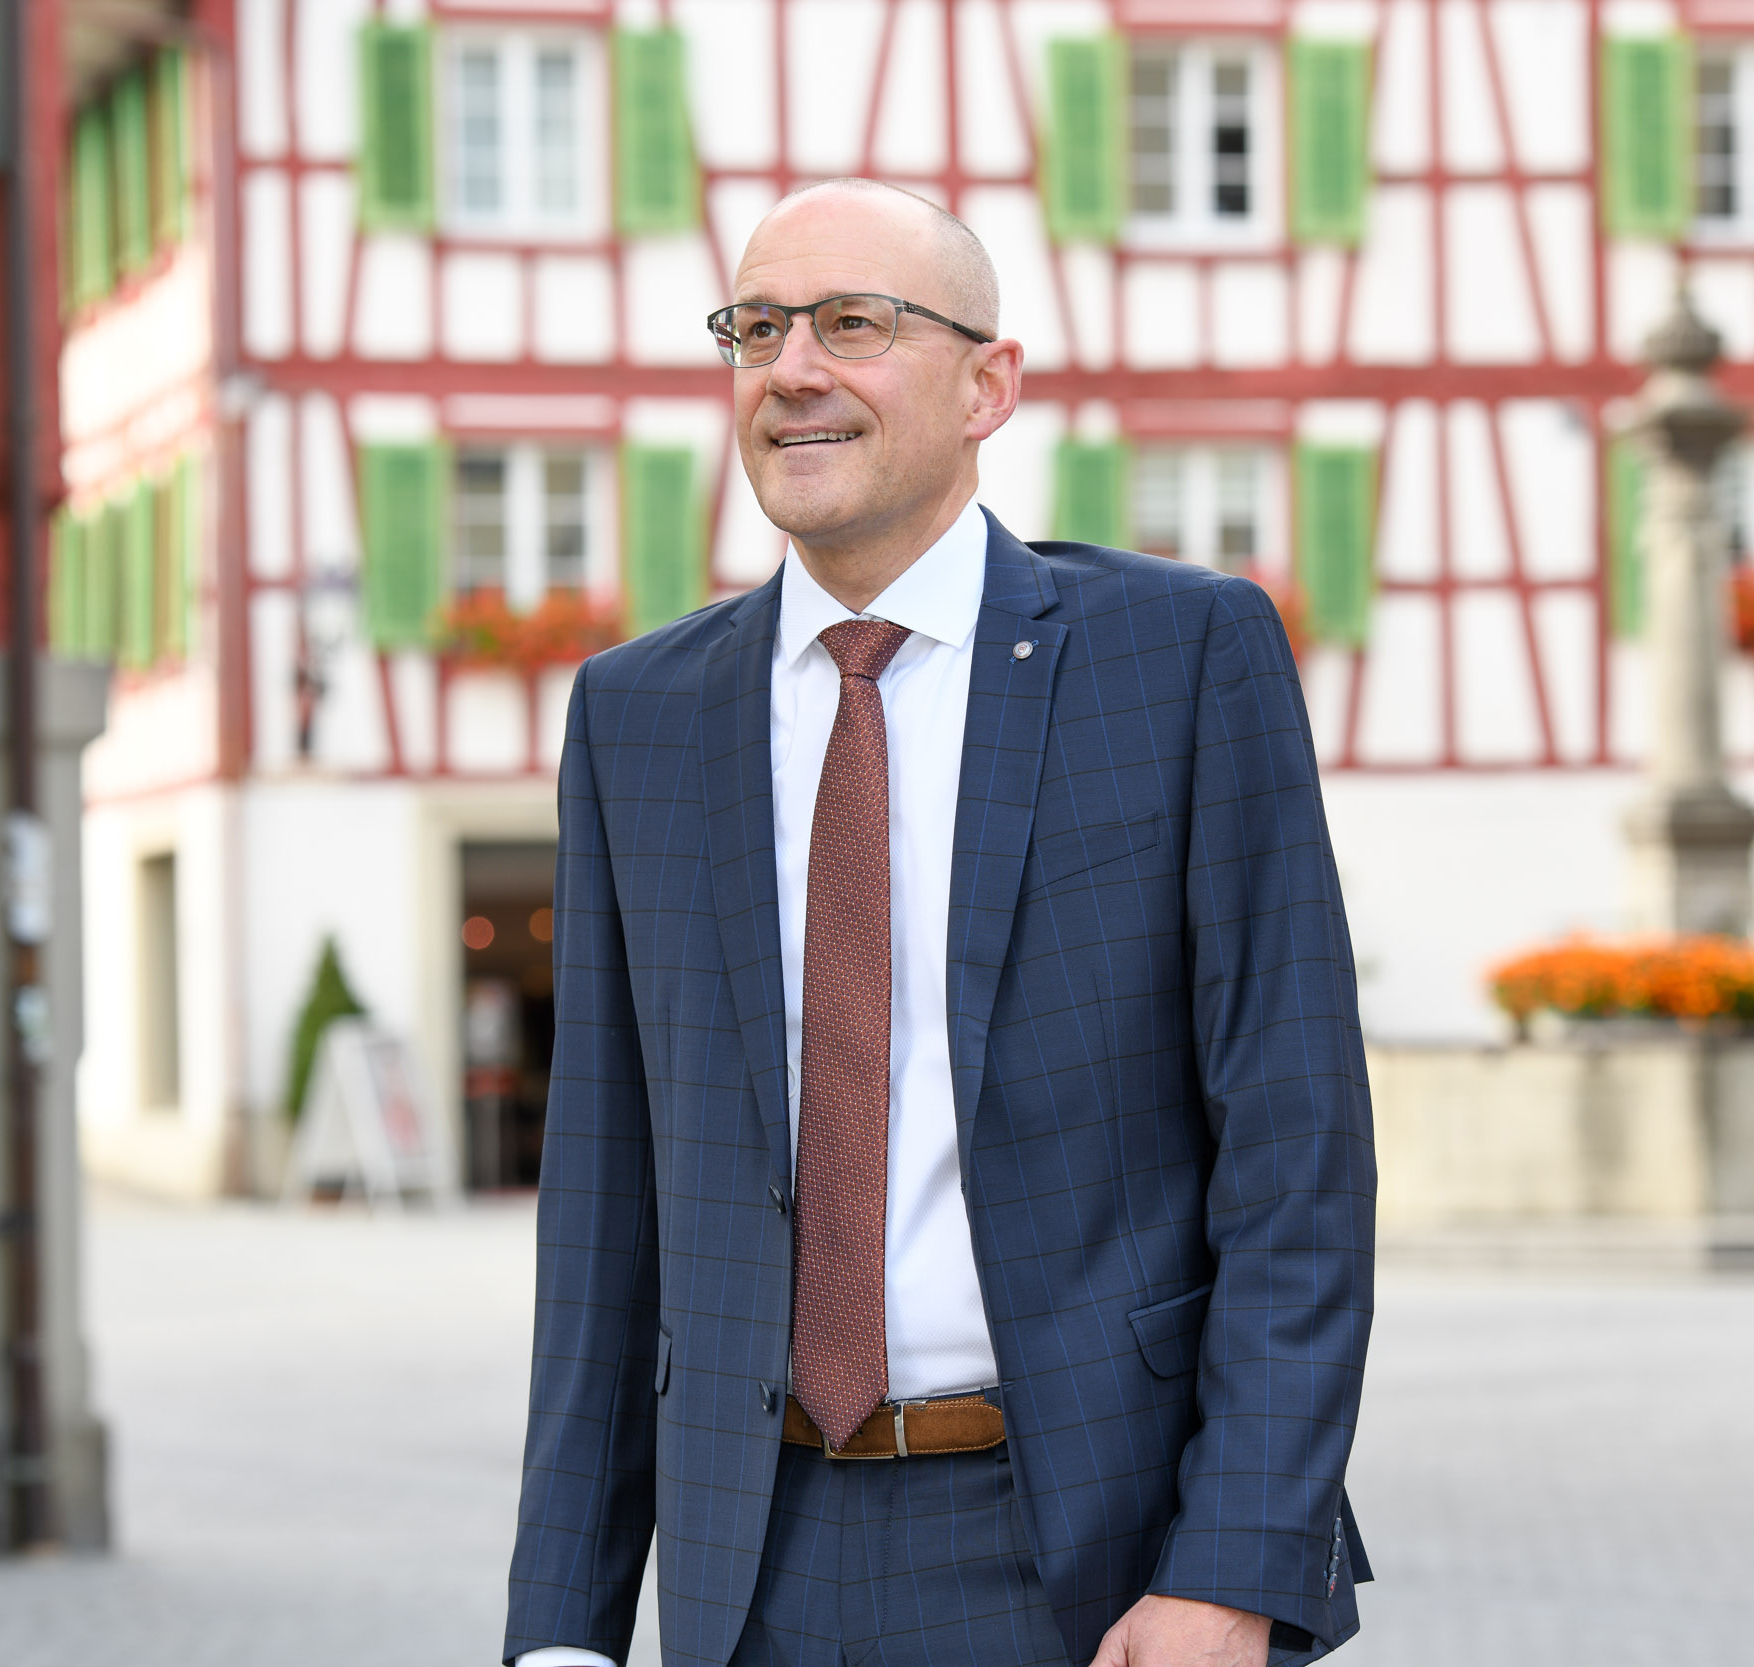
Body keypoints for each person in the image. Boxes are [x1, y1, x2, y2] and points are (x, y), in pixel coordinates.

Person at [504, 178, 1375, 1667]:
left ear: (989, 386)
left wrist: (1232, 1566)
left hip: (1093, 1562)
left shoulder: (1178, 660)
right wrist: (563, 1636)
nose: (792, 369)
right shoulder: (638, 714)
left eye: (854, 323)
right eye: (757, 328)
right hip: (746, 1570)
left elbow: (1295, 1153)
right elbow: (603, 1200)